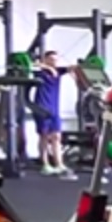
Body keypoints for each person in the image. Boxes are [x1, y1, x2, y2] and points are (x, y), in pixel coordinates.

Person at [33, 51, 76, 180]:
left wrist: (75, 69)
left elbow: (71, 68)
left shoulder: (58, 72)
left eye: (55, 60)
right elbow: (33, 65)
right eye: (51, 59)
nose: (54, 62)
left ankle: (59, 164)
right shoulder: (40, 72)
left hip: (54, 109)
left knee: (57, 136)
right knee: (44, 136)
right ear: (45, 60)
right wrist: (45, 66)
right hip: (42, 107)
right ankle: (45, 164)